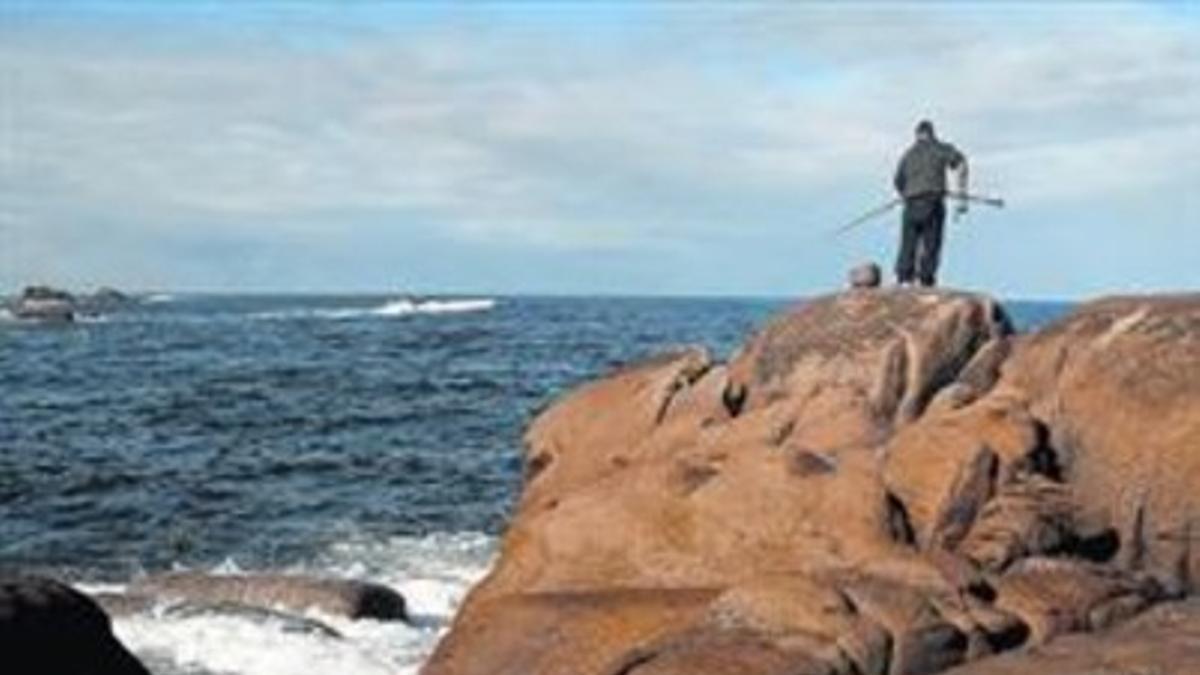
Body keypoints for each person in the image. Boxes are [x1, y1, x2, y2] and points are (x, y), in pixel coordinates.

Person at [892, 120, 968, 287]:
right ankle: (926, 279)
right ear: (932, 133)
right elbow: (961, 162)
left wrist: (907, 194)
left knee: (908, 242)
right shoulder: (940, 148)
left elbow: (898, 182)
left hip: (911, 204)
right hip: (932, 202)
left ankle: (904, 278)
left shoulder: (908, 154)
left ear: (917, 134)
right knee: (931, 242)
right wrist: (962, 195)